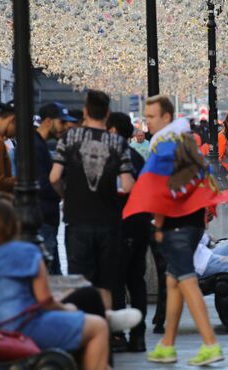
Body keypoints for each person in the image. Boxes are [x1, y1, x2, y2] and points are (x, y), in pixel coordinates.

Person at [123, 95, 228, 366]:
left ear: (166, 118)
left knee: (186, 282)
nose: (146, 121)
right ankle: (167, 345)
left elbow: (157, 191)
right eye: (146, 116)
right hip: (192, 222)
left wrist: (158, 224)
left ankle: (210, 345)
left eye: (151, 116)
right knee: (174, 282)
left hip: (177, 226)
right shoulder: (184, 142)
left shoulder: (164, 147)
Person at [0, 198, 110, 370]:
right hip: (24, 328)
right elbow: (46, 300)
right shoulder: (26, 251)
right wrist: (69, 309)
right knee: (98, 327)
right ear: (12, 224)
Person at [49, 90, 135, 311]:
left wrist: (66, 195)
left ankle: (86, 333)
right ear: (107, 113)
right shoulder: (117, 143)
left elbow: (54, 177)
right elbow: (128, 185)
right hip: (109, 221)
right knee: (106, 284)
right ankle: (105, 332)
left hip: (77, 220)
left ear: (86, 111)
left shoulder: (70, 138)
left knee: (80, 283)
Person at [107, 112, 151, 352]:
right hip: (140, 224)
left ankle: (118, 335)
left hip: (121, 224)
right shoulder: (137, 156)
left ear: (113, 131)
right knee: (136, 281)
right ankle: (138, 335)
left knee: (116, 281)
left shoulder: (114, 156)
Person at [35, 102, 77, 275]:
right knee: (49, 270)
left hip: (46, 215)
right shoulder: (36, 145)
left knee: (53, 268)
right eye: (61, 122)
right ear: (48, 121)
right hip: (42, 215)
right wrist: (62, 193)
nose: (64, 126)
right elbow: (42, 184)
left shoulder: (40, 144)